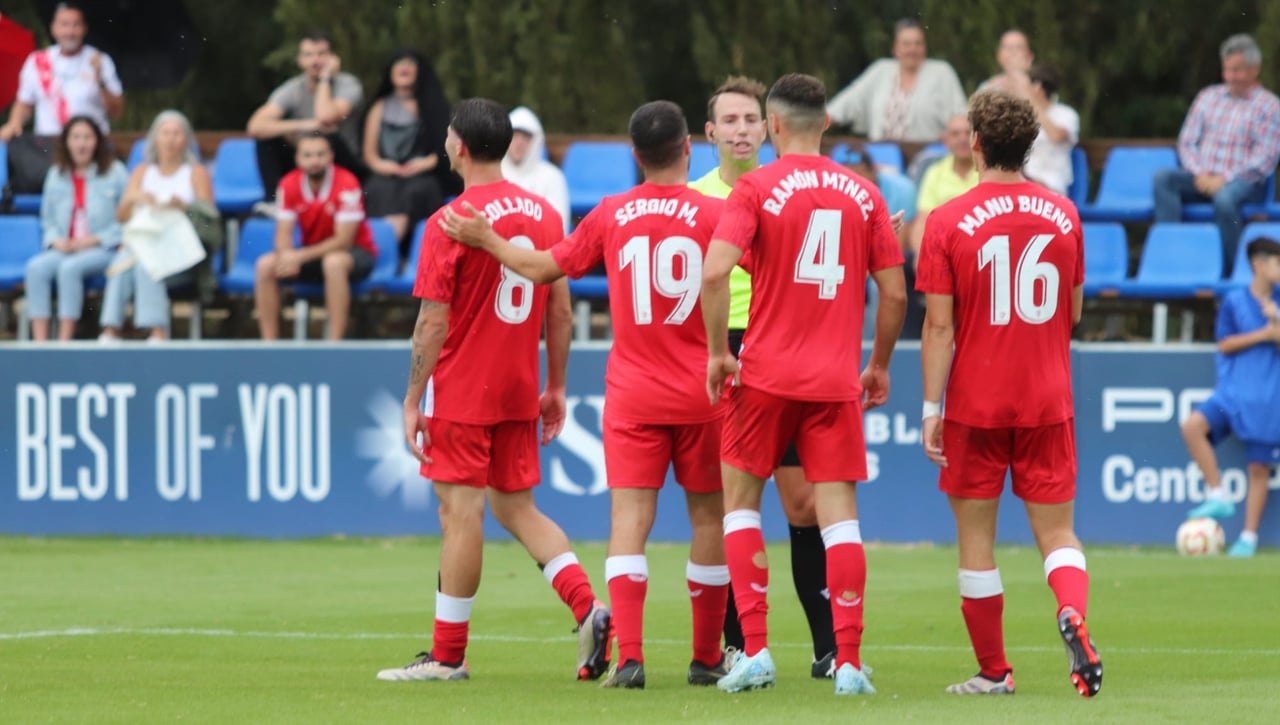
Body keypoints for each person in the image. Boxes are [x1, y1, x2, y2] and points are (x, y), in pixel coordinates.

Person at [439, 100, 729, 691]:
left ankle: (631, 659)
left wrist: (487, 239)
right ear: (688, 150)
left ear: (633, 155)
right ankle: (706, 658)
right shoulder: (717, 213)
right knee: (708, 517)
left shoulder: (611, 213)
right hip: (703, 390)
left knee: (629, 520)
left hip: (636, 394)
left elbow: (544, 269)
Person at [377, 98, 610, 683]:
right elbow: (560, 312)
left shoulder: (450, 220)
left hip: (462, 388)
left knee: (461, 515)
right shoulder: (544, 213)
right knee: (516, 505)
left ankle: (447, 655)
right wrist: (555, 383)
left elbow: (433, 322)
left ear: (457, 145)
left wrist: (412, 399)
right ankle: (589, 607)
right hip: (517, 384)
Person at [703, 73, 907, 696]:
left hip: (763, 373)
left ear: (771, 127)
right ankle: (846, 661)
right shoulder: (864, 194)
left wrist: (717, 353)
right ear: (825, 124)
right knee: (837, 518)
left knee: (740, 505)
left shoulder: (757, 186)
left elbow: (714, 276)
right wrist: (879, 363)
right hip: (833, 378)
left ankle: (756, 652)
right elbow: (896, 290)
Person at [916, 88, 1102, 698]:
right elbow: (1071, 312)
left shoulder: (945, 221)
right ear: (1030, 145)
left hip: (975, 401)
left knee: (977, 541)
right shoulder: (1065, 213)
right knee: (1058, 534)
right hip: (1047, 397)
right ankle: (1071, 611)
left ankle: (994, 672)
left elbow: (939, 325)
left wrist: (930, 408)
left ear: (974, 142)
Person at [689, 75, 838, 680]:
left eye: (751, 119)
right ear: (710, 133)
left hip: (785, 350)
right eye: (730, 121)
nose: (743, 130)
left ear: (770, 124)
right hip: (723, 352)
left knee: (803, 505)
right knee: (733, 502)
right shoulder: (695, 200)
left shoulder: (793, 190)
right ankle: (737, 646)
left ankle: (827, 646)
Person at [1182, 237, 1280, 557]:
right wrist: (1264, 333)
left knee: (1258, 470)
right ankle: (1218, 493)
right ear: (1259, 264)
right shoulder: (1235, 302)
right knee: (1193, 427)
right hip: (1233, 393)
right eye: (1277, 262)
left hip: (1268, 398)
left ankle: (1248, 538)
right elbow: (1224, 344)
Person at [1154, 34, 1280, 278]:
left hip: (1243, 182)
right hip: (1201, 176)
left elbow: (1265, 158)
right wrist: (1200, 173)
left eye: (1237, 70)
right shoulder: (1207, 97)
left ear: (1255, 70)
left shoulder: (1271, 106)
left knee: (1224, 200)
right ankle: (1170, 258)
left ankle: (1232, 271)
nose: (1229, 77)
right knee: (1163, 179)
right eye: (1226, 70)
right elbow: (1187, 142)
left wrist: (1224, 178)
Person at [99, 110, 213, 343]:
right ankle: (111, 329)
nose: (171, 139)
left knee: (146, 264)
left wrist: (184, 207)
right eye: (165, 133)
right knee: (123, 263)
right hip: (144, 243)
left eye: (177, 133)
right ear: (155, 138)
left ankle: (156, 330)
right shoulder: (141, 172)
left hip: (181, 250)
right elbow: (121, 216)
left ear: (186, 140)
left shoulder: (196, 173)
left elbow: (209, 219)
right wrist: (134, 197)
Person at [253, 131, 377, 341]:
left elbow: (344, 240)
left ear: (330, 156)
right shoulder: (288, 183)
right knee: (265, 265)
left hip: (355, 253)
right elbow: (283, 233)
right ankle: (269, 345)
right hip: (313, 253)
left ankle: (333, 344)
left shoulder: (347, 182)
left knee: (334, 263)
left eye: (320, 154)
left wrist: (298, 257)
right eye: (308, 155)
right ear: (298, 159)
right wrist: (287, 256)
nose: (314, 161)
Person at [23, 114, 126, 341]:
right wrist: (56, 240)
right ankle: (40, 343)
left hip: (103, 249)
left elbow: (128, 220)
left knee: (69, 269)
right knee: (35, 267)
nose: (82, 143)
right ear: (67, 142)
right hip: (65, 247)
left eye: (87, 137)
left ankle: (64, 342)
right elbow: (47, 219)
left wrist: (94, 239)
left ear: (97, 141)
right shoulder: (56, 174)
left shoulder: (116, 172)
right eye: (76, 137)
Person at [247, 31, 364, 196]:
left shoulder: (349, 85)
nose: (315, 60)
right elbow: (255, 126)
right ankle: (273, 200)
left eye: (322, 54)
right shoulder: (293, 88)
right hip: (305, 159)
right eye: (309, 55)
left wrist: (325, 79)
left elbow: (325, 117)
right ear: (300, 60)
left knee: (326, 136)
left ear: (333, 58)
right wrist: (306, 124)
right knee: (266, 139)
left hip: (342, 161)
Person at [360, 49, 452, 252]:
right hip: (386, 175)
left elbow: (446, 150)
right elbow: (369, 153)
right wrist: (382, 165)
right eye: (399, 63)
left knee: (416, 192)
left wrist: (425, 163)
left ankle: (391, 252)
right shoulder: (378, 108)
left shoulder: (433, 106)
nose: (404, 67)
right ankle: (384, 253)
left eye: (410, 63)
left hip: (422, 176)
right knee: (377, 189)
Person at [827, 18, 967, 143]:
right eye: (906, 44)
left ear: (925, 48)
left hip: (927, 156)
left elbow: (961, 114)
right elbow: (849, 101)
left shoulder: (942, 72)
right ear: (895, 48)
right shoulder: (881, 70)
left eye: (918, 44)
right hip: (883, 157)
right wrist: (819, 120)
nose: (913, 49)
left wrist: (951, 134)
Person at [1, 2, 124, 142]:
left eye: (75, 25)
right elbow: (24, 103)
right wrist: (13, 124)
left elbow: (117, 112)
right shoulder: (38, 61)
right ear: (54, 29)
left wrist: (100, 80)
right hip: (49, 144)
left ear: (84, 29)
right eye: (64, 24)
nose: (70, 32)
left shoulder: (101, 61)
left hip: (90, 146)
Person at [909, 114, 980, 260]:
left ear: (977, 139)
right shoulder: (934, 173)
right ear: (946, 141)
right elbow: (923, 219)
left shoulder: (987, 171)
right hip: (942, 248)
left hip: (979, 246)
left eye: (968, 133)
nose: (962, 139)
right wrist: (920, 255)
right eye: (955, 134)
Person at [502, 106, 571, 233]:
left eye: (525, 137)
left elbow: (559, 226)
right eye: (515, 136)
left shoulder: (552, 177)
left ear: (536, 141)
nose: (519, 143)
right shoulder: (493, 173)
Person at [1023, 66, 1080, 197]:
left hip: (1053, 182)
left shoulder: (1067, 114)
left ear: (1039, 88)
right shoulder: (1024, 115)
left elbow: (1056, 136)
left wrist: (1035, 106)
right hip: (1025, 180)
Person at [980, 30, 1034, 97]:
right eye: (1008, 48)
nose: (1013, 52)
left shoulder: (1040, 84)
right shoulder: (987, 88)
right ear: (999, 56)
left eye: (1019, 47)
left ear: (1030, 57)